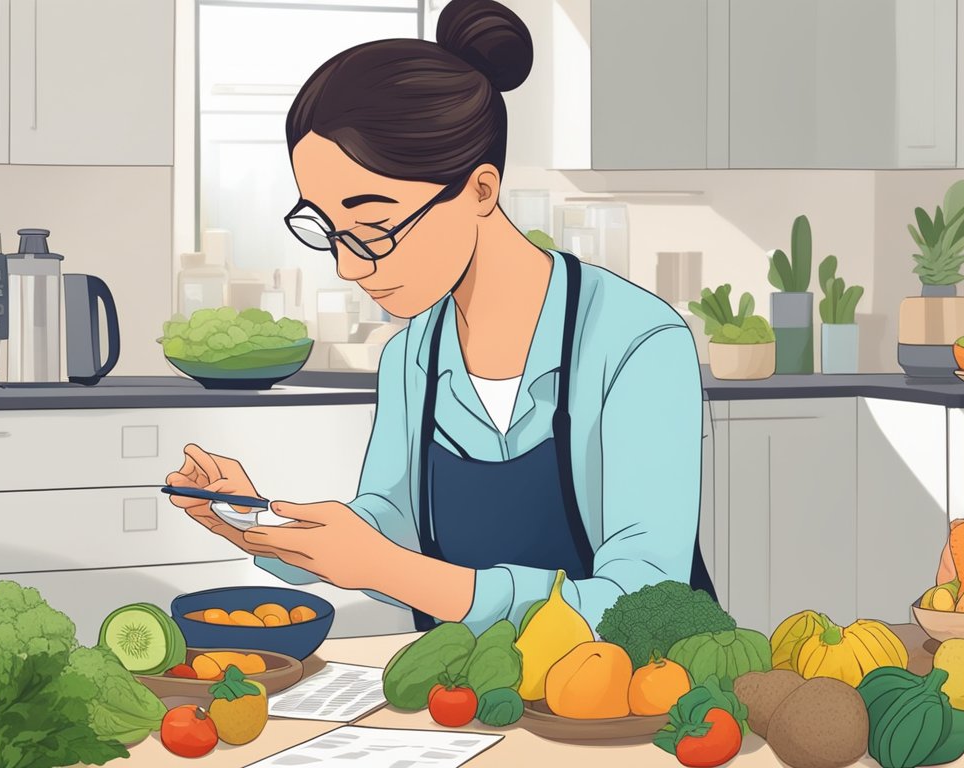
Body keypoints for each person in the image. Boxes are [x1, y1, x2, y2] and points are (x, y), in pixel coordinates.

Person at [166, 0, 713, 634]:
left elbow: (641, 601)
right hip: (469, 693)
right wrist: (256, 520)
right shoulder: (412, 356)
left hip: (635, 701)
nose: (348, 266)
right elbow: (385, 525)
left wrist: (388, 571)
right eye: (329, 230)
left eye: (373, 228)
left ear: (480, 190)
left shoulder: (634, 343)